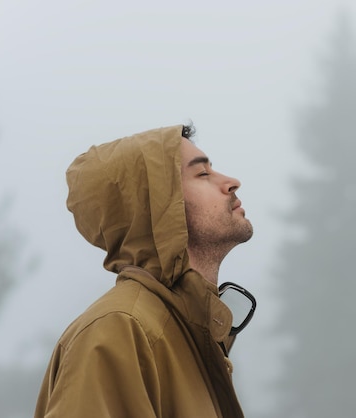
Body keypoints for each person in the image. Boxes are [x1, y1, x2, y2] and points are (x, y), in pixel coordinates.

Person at [34, 124, 254, 418]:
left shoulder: (185, 331)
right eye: (202, 174)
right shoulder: (118, 330)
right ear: (159, 206)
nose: (231, 182)